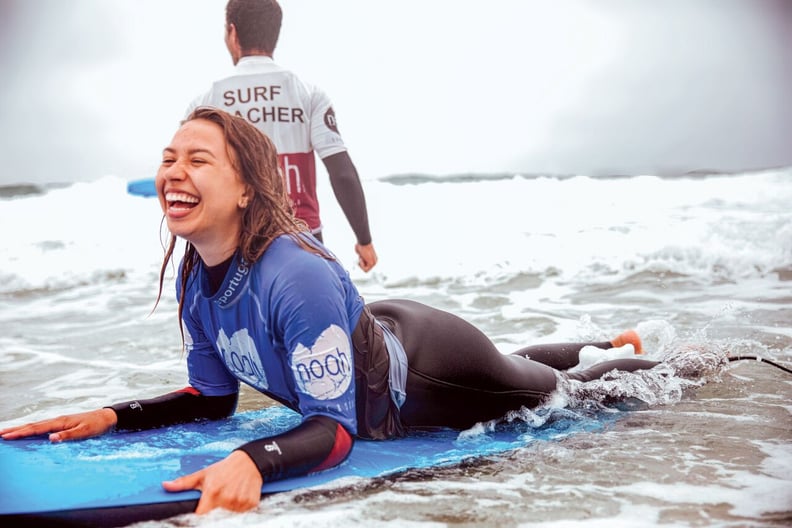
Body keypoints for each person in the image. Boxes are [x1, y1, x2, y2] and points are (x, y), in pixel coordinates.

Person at [0, 108, 658, 515]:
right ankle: (602, 338)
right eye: (169, 157)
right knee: (523, 366)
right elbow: (211, 399)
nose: (174, 170)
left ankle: (671, 359)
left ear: (245, 191)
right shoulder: (197, 278)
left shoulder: (295, 274)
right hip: (378, 330)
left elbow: (336, 433)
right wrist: (117, 416)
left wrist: (256, 460)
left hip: (432, 371)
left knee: (561, 395)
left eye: (198, 159)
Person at [184, 0, 378, 272]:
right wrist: (364, 240)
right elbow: (342, 172)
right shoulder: (308, 94)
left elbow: (189, 184)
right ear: (275, 34)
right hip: (303, 240)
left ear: (233, 33)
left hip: (234, 246)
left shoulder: (206, 103)